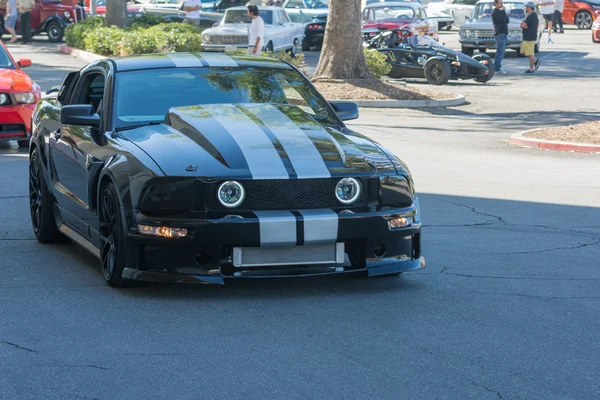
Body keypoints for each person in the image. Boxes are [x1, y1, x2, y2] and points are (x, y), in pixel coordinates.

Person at [521, 1, 541, 73]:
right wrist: (525, 26)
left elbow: (522, 25)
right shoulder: (533, 15)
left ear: (529, 7)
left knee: (530, 53)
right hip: (529, 37)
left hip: (529, 37)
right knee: (525, 52)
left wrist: (525, 26)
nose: (525, 8)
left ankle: (532, 67)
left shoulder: (531, 15)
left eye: (526, 7)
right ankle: (534, 62)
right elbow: (524, 25)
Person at [492, 0, 509, 74]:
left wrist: (503, 11)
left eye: (502, 3)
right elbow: (502, 20)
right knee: (500, 51)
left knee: (502, 51)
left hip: (504, 33)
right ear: (495, 4)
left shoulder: (501, 11)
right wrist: (503, 11)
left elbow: (507, 20)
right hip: (500, 33)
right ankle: (496, 68)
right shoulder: (495, 12)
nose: (501, 4)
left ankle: (497, 67)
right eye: (499, 3)